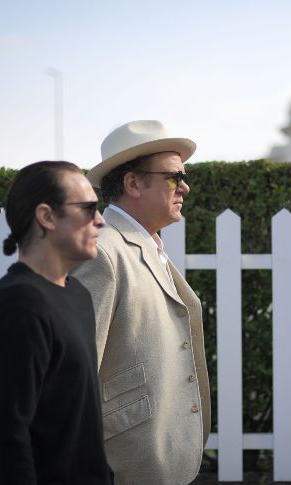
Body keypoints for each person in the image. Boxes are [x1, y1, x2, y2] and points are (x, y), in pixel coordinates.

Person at [72, 120, 211, 484]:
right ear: (133, 183)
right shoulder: (102, 252)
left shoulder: (145, 243)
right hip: (123, 466)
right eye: (172, 177)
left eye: (183, 175)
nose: (185, 186)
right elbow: (74, 375)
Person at [0, 161, 113, 484]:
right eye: (88, 208)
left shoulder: (77, 293)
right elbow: (8, 436)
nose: (100, 220)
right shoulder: (19, 304)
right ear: (47, 216)